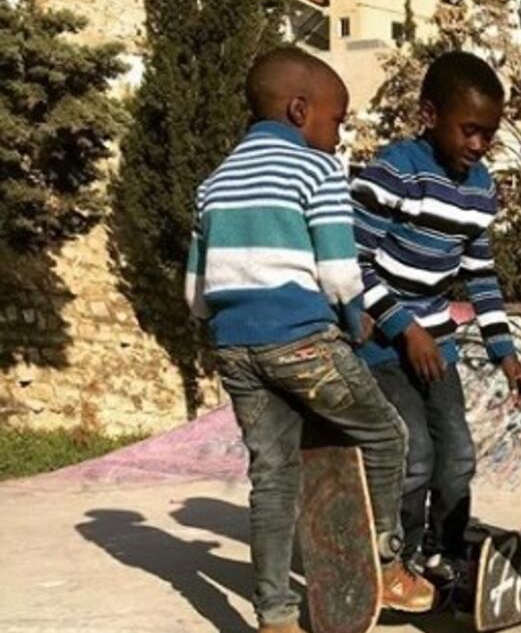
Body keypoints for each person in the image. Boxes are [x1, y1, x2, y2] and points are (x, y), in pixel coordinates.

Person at [185, 46, 434, 633]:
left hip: (234, 349)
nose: (339, 135)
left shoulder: (213, 184)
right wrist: (353, 324)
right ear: (300, 110)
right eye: (338, 120)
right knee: (384, 434)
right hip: (302, 341)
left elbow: (195, 292)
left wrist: (229, 325)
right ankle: (385, 563)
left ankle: (274, 615)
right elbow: (342, 272)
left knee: (272, 477)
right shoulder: (317, 170)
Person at [350, 50, 521, 586]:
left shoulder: (480, 189)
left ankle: (447, 554)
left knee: (456, 455)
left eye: (489, 135)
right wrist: (404, 330)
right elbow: (352, 263)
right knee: (414, 453)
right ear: (430, 115)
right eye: (469, 131)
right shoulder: (394, 171)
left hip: (436, 342)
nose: (478, 146)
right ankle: (397, 559)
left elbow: (480, 277)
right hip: (384, 343)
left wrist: (507, 356)